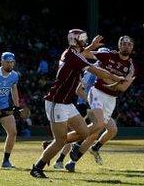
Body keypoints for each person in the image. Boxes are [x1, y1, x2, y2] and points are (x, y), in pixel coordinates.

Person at [28, 30, 125, 179]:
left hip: (66, 102)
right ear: (76, 41)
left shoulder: (73, 53)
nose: (85, 41)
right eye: (83, 39)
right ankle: (37, 167)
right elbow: (97, 71)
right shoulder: (73, 56)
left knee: (84, 133)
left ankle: (52, 145)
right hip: (56, 102)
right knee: (61, 141)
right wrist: (116, 78)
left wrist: (92, 45)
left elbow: (84, 55)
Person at [63, 36, 137, 171]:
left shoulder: (131, 67)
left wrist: (107, 78)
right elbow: (83, 54)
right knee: (100, 124)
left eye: (129, 44)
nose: (126, 46)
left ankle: (72, 162)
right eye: (124, 43)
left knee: (96, 132)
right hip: (97, 92)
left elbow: (122, 88)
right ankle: (69, 141)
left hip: (111, 99)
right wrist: (91, 45)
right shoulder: (108, 55)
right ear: (119, 46)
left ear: (132, 47)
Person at [53, 71, 96, 170]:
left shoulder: (99, 70)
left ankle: (63, 160)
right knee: (83, 133)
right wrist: (92, 103)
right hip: (86, 105)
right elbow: (80, 89)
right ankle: (61, 157)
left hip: (90, 105)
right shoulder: (93, 71)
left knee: (89, 133)